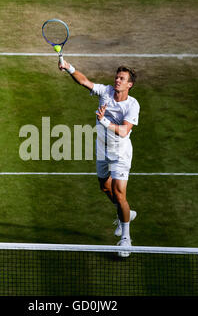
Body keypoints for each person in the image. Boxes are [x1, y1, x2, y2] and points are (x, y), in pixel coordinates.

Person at [59, 59, 140, 257]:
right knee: (105, 187)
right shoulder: (105, 92)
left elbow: (124, 130)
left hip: (120, 153)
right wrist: (68, 67)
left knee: (119, 193)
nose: (117, 80)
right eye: (117, 77)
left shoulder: (132, 105)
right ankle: (127, 214)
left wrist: (104, 121)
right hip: (102, 150)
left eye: (122, 78)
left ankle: (126, 238)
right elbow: (84, 81)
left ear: (129, 84)